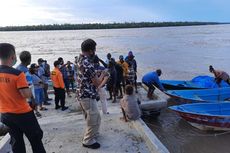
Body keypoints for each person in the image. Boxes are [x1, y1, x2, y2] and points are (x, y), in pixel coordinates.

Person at [0, 43, 46, 153]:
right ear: (12, 56)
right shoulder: (17, 74)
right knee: (36, 139)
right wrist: (30, 87)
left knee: (16, 142)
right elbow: (26, 94)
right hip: (23, 114)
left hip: (5, 114)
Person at [76, 39, 106, 149]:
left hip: (81, 93)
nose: (95, 51)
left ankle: (93, 134)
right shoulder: (87, 63)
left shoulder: (79, 58)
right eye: (94, 49)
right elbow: (97, 83)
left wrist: (96, 73)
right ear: (90, 50)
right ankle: (88, 140)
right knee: (94, 117)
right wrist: (103, 74)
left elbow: (87, 75)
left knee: (90, 116)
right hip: (87, 94)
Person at [16, 51, 41, 117]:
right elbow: (28, 87)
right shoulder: (26, 71)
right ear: (29, 60)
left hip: (20, 97)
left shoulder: (17, 68)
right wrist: (33, 100)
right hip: (27, 98)